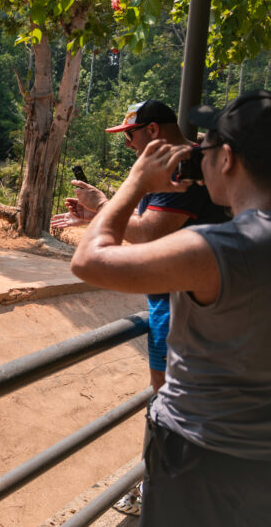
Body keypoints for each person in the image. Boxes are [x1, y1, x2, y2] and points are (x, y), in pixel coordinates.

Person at [70, 90, 271, 526]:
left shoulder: (219, 248)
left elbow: (88, 261)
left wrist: (135, 182)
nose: (198, 154)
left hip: (202, 455)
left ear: (228, 160)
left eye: (209, 146)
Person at [52, 99, 227, 515]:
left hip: (178, 306)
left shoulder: (179, 170)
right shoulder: (190, 164)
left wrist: (104, 206)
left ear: (151, 131)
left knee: (168, 405)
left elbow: (146, 235)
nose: (127, 145)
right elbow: (150, 224)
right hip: (188, 303)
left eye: (129, 135)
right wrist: (98, 216)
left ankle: (162, 489)